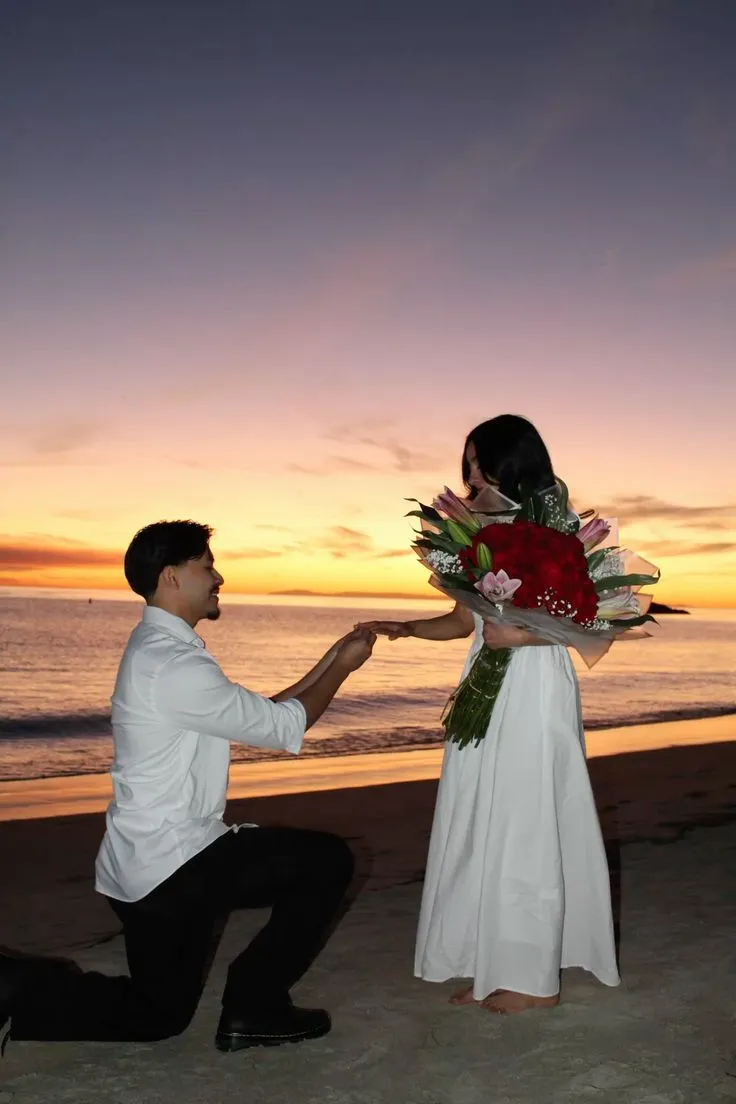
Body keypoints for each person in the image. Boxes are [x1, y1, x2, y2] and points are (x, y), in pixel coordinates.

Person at [0, 520, 375, 1052]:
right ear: (171, 576)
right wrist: (346, 672)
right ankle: (254, 1006)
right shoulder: (174, 664)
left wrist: (333, 659)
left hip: (144, 868)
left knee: (157, 1016)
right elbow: (285, 727)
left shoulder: (158, 649)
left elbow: (259, 714)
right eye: (206, 564)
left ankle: (11, 987)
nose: (218, 576)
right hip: (175, 865)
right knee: (325, 860)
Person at [360, 415, 619, 1014]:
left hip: (534, 687)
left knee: (526, 819)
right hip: (486, 684)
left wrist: (521, 641)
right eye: (468, 465)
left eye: (481, 463)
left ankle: (533, 980)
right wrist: (406, 628)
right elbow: (465, 621)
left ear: (515, 463)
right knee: (481, 814)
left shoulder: (554, 532)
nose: (472, 475)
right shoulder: (472, 531)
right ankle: (492, 960)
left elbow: (587, 624)